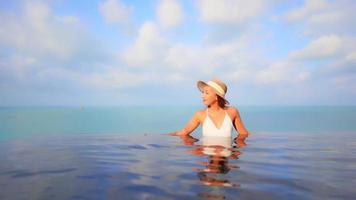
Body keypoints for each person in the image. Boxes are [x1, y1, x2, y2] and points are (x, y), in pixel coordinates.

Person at [170, 79, 250, 141]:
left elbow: (243, 134)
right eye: (203, 92)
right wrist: (161, 136)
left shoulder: (232, 112)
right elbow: (183, 132)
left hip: (226, 158)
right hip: (207, 158)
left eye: (206, 93)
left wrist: (235, 155)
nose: (202, 96)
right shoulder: (200, 114)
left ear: (216, 96)